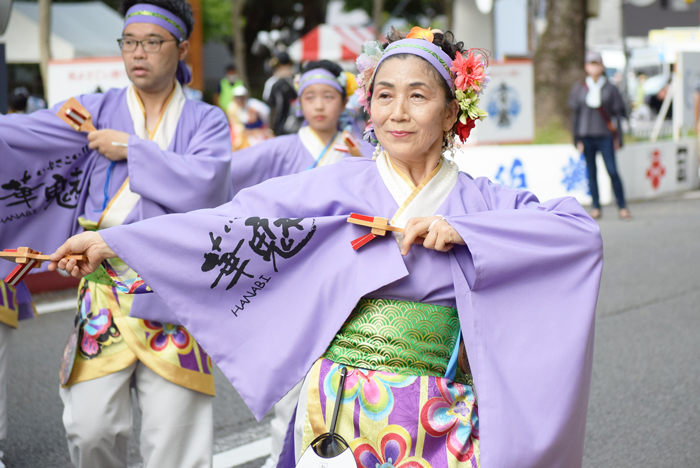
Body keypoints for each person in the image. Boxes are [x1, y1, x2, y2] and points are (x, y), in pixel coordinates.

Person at [49, 28, 603, 468]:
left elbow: (577, 232)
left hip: (442, 411)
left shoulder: (483, 201)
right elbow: (230, 225)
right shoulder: (332, 187)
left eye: (418, 96)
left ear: (453, 113)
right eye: (384, 95)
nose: (397, 112)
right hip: (339, 407)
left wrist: (468, 233)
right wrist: (113, 239)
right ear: (368, 107)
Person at [0, 1, 231, 467]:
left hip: (174, 294)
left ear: (182, 47)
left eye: (151, 42)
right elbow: (21, 136)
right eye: (129, 42)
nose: (137, 53)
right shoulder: (93, 110)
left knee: (177, 444)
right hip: (103, 292)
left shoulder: (206, 120)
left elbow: (207, 181)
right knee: (90, 430)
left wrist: (131, 148)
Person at [230, 59, 373, 197]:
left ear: (344, 102)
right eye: (310, 97)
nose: (319, 106)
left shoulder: (367, 153)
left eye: (328, 97)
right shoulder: (277, 149)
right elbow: (225, 170)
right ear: (299, 103)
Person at [569, 51, 630, 220]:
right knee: (591, 172)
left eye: (596, 63)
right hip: (586, 134)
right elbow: (575, 114)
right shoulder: (579, 88)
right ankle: (595, 206)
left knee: (612, 170)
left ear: (602, 66)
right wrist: (576, 138)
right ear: (586, 66)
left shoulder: (610, 88)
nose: (593, 67)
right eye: (590, 63)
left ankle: (622, 206)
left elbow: (618, 114)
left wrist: (619, 138)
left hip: (605, 135)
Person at [264, 52, 301, 136]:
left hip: (282, 129)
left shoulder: (276, 84)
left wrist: (272, 129)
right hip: (300, 128)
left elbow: (274, 109)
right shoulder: (299, 80)